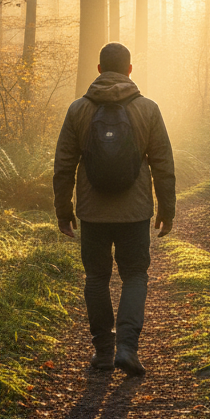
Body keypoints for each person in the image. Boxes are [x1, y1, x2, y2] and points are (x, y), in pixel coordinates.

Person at [53, 42, 175, 376]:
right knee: (135, 274)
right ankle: (127, 348)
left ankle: (104, 352)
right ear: (130, 70)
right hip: (135, 212)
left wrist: (64, 210)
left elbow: (63, 164)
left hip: (92, 213)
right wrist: (167, 207)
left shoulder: (78, 109)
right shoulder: (147, 109)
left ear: (98, 70)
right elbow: (163, 163)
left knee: (96, 277)